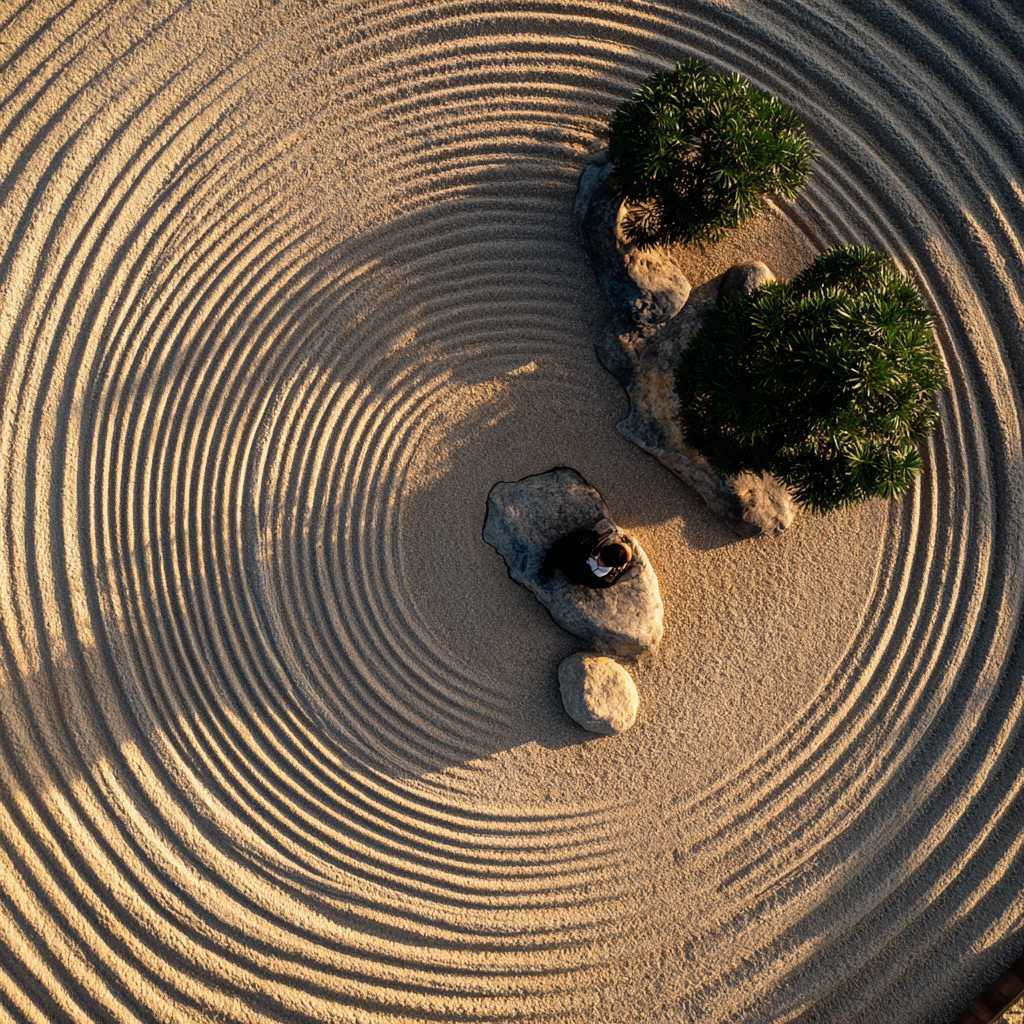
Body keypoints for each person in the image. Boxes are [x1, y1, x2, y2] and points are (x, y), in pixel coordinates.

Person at [544, 517, 639, 589]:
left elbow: (561, 546)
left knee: (606, 527)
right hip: (582, 578)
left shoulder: (582, 550)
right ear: (616, 566)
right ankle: (635, 566)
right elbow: (609, 582)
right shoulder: (606, 580)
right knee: (634, 569)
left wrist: (593, 536)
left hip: (570, 566)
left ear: (603, 549)